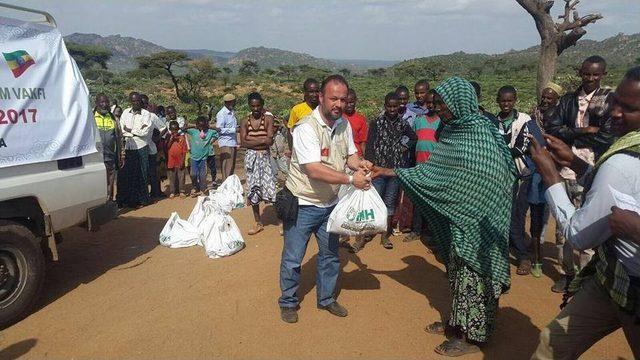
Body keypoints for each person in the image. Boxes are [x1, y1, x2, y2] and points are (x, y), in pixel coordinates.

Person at [371, 77, 515, 356]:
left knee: (476, 277)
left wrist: (472, 199)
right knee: (460, 275)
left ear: (461, 102)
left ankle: (473, 338)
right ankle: (458, 323)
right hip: (458, 218)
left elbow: (496, 175)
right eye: (438, 104)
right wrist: (388, 171)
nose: (441, 109)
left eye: (444, 103)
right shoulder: (452, 132)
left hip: (481, 222)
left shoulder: (482, 133)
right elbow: (435, 173)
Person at [529, 66, 640, 360]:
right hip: (611, 280)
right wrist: (578, 166)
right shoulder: (622, 157)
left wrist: (552, 176)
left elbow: (579, 235)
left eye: (629, 108)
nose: (615, 113)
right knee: (553, 343)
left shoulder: (621, 162)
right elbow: (623, 190)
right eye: (616, 102)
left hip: (633, 286)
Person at [278, 74, 372, 324]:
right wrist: (352, 180)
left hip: (330, 205)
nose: (338, 104)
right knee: (293, 257)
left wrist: (360, 164)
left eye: (342, 99)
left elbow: (350, 155)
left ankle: (327, 298)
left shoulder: (344, 125)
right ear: (321, 97)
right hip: (303, 203)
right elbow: (313, 169)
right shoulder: (306, 128)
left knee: (330, 256)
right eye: (333, 98)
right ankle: (288, 301)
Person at [544, 55, 616, 292]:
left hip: (592, 170)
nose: (591, 78)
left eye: (596, 74)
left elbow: (606, 136)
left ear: (603, 74)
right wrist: (585, 130)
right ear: (580, 74)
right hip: (565, 170)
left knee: (590, 225)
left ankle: (586, 277)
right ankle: (566, 273)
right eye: (587, 74)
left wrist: (570, 133)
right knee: (563, 227)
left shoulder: (610, 102)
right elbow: (553, 129)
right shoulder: (567, 100)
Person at [356, 92, 416, 251]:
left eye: (394, 106)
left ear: (399, 106)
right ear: (385, 106)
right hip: (377, 169)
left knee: (389, 203)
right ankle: (363, 237)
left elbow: (414, 138)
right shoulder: (377, 122)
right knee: (371, 202)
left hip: (394, 170)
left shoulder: (403, 124)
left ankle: (384, 236)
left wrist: (404, 148)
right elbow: (369, 144)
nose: (392, 109)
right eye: (389, 106)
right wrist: (369, 163)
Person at [495, 85, 535, 276]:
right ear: (497, 101)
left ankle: (523, 257)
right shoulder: (494, 122)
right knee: (500, 215)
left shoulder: (524, 120)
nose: (506, 104)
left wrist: (499, 150)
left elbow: (521, 147)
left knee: (516, 217)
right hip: (500, 175)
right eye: (503, 100)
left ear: (515, 100)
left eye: (509, 100)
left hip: (520, 174)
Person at [404, 89, 441, 243]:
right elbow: (413, 140)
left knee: (434, 202)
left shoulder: (442, 122)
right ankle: (416, 230)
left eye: (434, 103)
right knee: (419, 200)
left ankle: (433, 233)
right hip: (419, 165)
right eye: (429, 103)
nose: (431, 105)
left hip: (437, 168)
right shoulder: (419, 120)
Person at [240, 92, 277, 235]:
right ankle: (258, 222)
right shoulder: (244, 121)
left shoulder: (268, 118)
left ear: (262, 105)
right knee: (253, 190)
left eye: (258, 106)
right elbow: (243, 142)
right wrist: (261, 141)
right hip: (251, 158)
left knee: (271, 188)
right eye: (253, 106)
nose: (255, 109)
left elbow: (270, 141)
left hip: (265, 157)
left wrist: (252, 141)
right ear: (249, 106)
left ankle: (279, 221)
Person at [116, 92, 153, 208]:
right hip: (128, 145)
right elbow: (122, 128)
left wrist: (130, 130)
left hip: (141, 146)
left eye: (137, 100)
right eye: (133, 101)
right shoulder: (126, 112)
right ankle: (129, 200)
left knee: (142, 173)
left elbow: (145, 131)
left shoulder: (146, 114)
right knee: (128, 173)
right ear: (130, 101)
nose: (135, 103)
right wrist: (134, 130)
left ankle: (143, 199)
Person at [395, 85, 419, 233]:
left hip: (407, 158)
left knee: (406, 193)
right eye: (400, 99)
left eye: (405, 99)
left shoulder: (413, 116)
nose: (402, 102)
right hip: (391, 159)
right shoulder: (389, 113)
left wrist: (405, 147)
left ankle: (403, 223)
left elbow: (414, 137)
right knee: (393, 192)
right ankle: (392, 222)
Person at [94, 93, 120, 202]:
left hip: (110, 157)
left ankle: (109, 204)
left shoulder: (113, 118)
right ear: (96, 103)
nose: (104, 105)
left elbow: (119, 138)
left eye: (106, 102)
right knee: (98, 182)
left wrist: (121, 156)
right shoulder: (91, 118)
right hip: (95, 159)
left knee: (110, 182)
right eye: (102, 102)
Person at [186, 116, 218, 197]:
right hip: (193, 158)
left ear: (206, 125)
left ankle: (203, 189)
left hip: (203, 158)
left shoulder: (210, 132)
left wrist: (211, 141)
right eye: (199, 126)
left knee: (202, 175)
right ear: (197, 125)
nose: (201, 128)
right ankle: (195, 187)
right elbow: (183, 128)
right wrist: (194, 126)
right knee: (193, 174)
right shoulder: (193, 131)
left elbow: (219, 131)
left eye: (203, 126)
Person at [216, 93, 238, 182]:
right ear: (230, 102)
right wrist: (234, 130)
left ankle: (228, 185)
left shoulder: (231, 112)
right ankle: (225, 185)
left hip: (232, 142)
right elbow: (219, 129)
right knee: (226, 166)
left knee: (231, 165)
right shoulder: (222, 114)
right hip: (226, 143)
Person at [165, 120, 188, 198]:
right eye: (172, 130)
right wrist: (171, 140)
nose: (174, 132)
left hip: (180, 160)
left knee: (181, 177)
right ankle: (172, 191)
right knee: (172, 178)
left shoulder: (182, 138)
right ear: (170, 129)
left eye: (175, 130)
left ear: (178, 129)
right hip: (171, 161)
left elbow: (185, 151)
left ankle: (181, 191)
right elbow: (167, 147)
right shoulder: (168, 137)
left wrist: (183, 161)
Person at [343, 88, 368, 157]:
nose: (349, 105)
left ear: (355, 101)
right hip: (342, 154)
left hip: (357, 155)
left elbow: (363, 142)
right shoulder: (338, 117)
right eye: (346, 102)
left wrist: (365, 158)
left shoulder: (361, 119)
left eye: (351, 102)